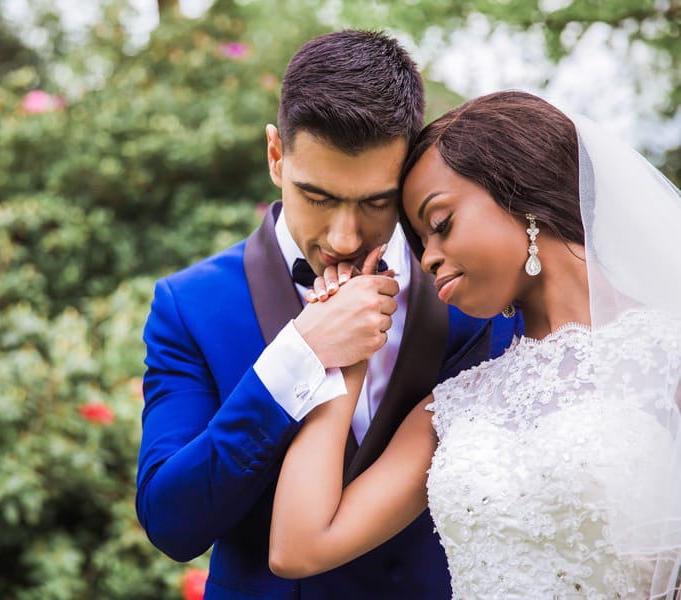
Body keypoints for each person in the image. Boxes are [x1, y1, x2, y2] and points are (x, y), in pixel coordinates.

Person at [136, 30, 514, 598]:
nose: (343, 235)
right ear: (275, 156)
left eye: (375, 201)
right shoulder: (190, 307)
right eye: (317, 197)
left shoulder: (480, 297)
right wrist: (298, 356)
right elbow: (172, 523)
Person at [269, 90, 681, 599]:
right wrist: (343, 359)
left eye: (440, 225)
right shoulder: (454, 407)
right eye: (421, 242)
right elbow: (297, 548)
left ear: (522, 192)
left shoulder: (670, 357)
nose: (427, 259)